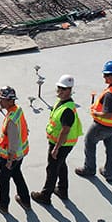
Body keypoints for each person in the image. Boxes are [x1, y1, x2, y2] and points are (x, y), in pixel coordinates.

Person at [76, 60, 112, 182]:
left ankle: (89, 169)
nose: (104, 77)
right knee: (111, 147)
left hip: (102, 125)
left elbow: (107, 114)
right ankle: (109, 173)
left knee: (89, 142)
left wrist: (94, 112)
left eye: (106, 75)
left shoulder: (110, 94)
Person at [32, 75, 82, 205]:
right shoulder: (62, 103)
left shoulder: (67, 110)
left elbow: (65, 130)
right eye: (59, 88)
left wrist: (56, 148)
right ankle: (62, 189)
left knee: (52, 168)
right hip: (62, 143)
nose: (60, 91)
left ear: (70, 90)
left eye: (63, 89)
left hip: (62, 144)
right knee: (61, 164)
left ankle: (45, 195)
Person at [0, 86, 32, 213]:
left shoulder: (11, 120)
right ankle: (25, 200)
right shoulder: (18, 110)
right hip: (20, 154)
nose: (0, 102)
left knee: (3, 181)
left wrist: (9, 160)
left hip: (9, 157)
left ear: (10, 101)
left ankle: (3, 204)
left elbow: (13, 142)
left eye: (2, 99)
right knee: (17, 175)